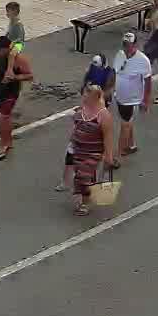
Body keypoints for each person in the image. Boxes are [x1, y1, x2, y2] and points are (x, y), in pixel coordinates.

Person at [55, 80, 117, 215]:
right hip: (79, 150)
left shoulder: (104, 115)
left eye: (86, 95)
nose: (83, 97)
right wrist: (72, 143)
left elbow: (108, 137)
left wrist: (108, 156)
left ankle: (85, 203)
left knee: (83, 176)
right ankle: (86, 196)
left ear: (94, 97)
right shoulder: (81, 111)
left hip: (93, 152)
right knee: (80, 176)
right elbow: (76, 128)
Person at [0, 34, 33, 161]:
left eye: (0, 52)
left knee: (2, 117)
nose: (0, 54)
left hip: (11, 92)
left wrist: (15, 77)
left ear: (7, 49)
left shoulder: (19, 59)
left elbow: (29, 76)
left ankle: (5, 144)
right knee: (3, 118)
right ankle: (7, 141)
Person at [109, 32, 153, 157]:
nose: (127, 47)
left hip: (131, 99)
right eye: (125, 44)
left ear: (135, 45)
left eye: (129, 45)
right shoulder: (120, 54)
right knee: (127, 120)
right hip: (119, 96)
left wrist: (145, 100)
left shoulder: (143, 61)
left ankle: (118, 154)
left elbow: (148, 82)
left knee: (125, 125)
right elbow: (114, 73)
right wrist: (108, 90)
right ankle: (131, 144)